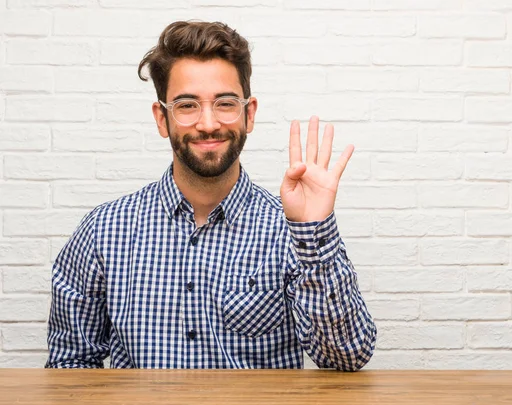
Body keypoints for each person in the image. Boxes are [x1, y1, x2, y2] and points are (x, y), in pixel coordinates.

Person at [45, 20, 376, 371]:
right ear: (162, 119)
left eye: (225, 103)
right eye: (187, 105)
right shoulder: (103, 231)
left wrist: (314, 232)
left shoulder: (291, 231)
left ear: (249, 114)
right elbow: (71, 366)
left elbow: (347, 358)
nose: (208, 123)